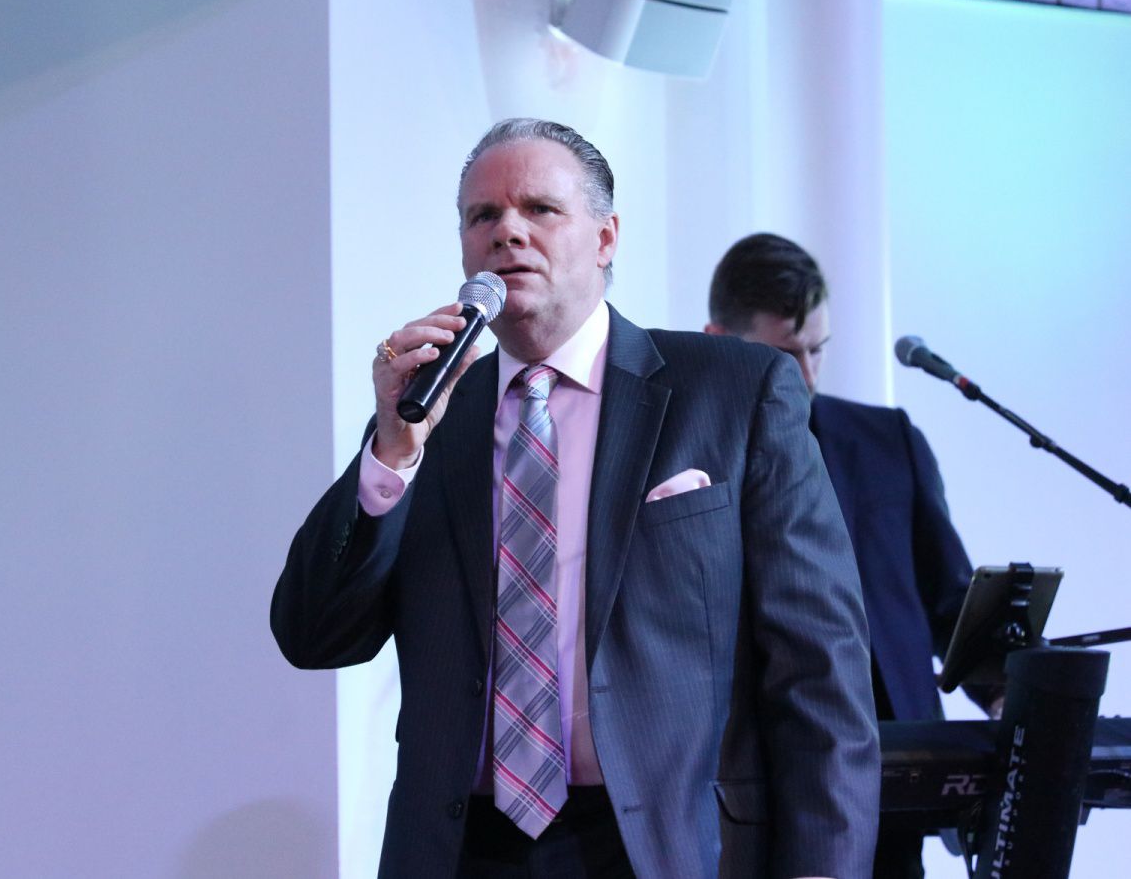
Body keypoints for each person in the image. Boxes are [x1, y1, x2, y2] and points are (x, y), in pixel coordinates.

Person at [272, 120, 879, 878]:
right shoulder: (429, 420)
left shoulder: (732, 390)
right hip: (464, 852)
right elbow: (314, 636)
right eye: (483, 216)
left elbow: (818, 660)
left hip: (662, 848)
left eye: (540, 209)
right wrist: (391, 453)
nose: (507, 232)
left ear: (605, 237)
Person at [705, 232, 983, 878]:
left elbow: (949, 598)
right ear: (717, 342)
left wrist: (1002, 691)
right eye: (784, 355)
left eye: (818, 349)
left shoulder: (888, 440)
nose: (806, 376)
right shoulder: (691, 454)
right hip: (750, 782)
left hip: (896, 772)